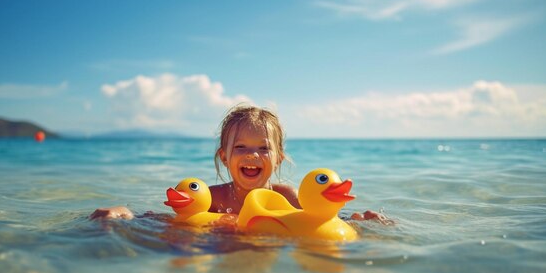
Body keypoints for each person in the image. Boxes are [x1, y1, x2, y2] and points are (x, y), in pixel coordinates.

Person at [90, 104, 390, 224]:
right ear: (224, 156)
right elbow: (161, 218)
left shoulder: (286, 196)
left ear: (278, 158)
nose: (252, 156)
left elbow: (316, 220)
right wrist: (125, 214)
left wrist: (356, 221)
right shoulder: (213, 198)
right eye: (241, 147)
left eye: (263, 148)